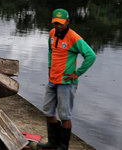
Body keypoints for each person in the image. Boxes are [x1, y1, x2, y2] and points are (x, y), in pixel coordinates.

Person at [38, 9, 96, 150]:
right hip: (53, 80)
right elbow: (51, 51)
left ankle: (63, 146)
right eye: (55, 23)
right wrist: (50, 68)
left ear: (68, 22)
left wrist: (77, 73)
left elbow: (91, 55)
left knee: (65, 115)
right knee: (48, 112)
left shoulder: (74, 38)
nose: (58, 26)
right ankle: (53, 142)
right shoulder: (52, 34)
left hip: (66, 84)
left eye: (61, 23)